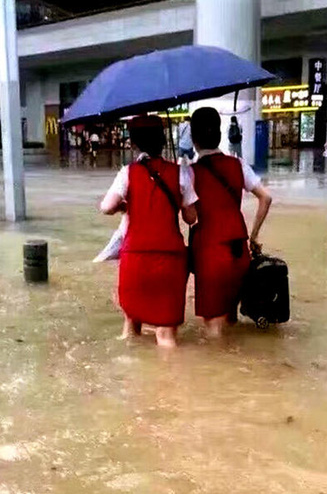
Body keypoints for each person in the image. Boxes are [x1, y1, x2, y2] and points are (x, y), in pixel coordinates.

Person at [100, 115, 198, 348]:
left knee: (130, 330)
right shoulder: (180, 173)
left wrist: (125, 206)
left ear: (133, 144)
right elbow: (191, 218)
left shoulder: (127, 173)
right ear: (163, 141)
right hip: (169, 261)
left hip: (135, 259)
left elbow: (106, 207)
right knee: (166, 338)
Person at [190, 107, 272, 338]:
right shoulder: (238, 165)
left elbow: (189, 216)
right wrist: (254, 236)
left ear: (193, 138)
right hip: (239, 252)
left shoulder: (190, 173)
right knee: (231, 318)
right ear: (220, 133)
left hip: (210, 254)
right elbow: (266, 197)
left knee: (213, 330)